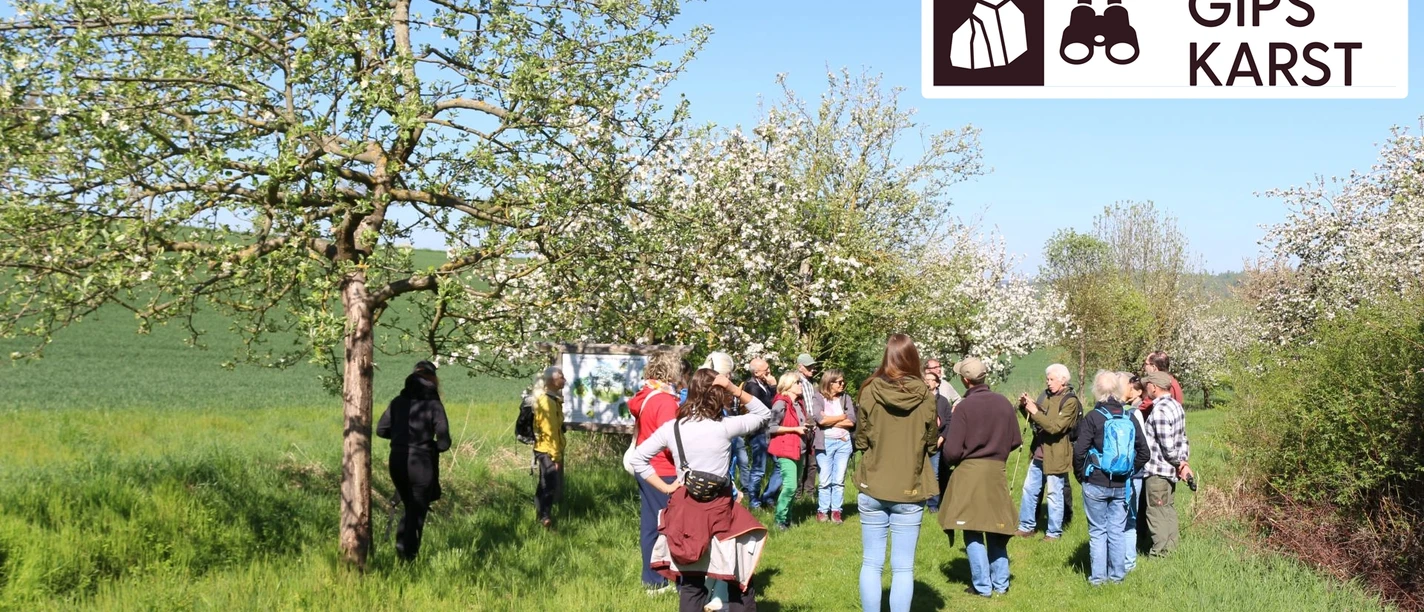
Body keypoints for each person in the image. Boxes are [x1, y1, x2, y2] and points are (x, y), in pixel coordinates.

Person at [630, 370, 771, 612]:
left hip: (686, 512)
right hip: (721, 511)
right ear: (718, 394)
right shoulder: (725, 426)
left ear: (693, 392)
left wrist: (666, 487)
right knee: (739, 578)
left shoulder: (673, 428)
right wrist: (733, 388)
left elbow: (638, 459)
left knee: (692, 584)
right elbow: (764, 413)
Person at [854, 334, 938, 612]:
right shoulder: (925, 395)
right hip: (909, 487)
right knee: (903, 567)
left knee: (871, 562)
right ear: (914, 359)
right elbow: (932, 443)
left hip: (873, 484)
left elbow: (861, 440)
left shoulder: (869, 390)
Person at [939, 357, 1022, 598]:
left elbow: (952, 451)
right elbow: (1016, 440)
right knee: (997, 526)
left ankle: (983, 586)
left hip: (970, 472)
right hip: (997, 471)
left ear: (966, 380)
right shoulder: (1004, 403)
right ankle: (1001, 584)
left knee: (972, 527)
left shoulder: (964, 407)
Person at [1073, 370, 1151, 586]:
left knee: (1098, 531)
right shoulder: (1129, 416)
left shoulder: (1093, 417)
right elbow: (1144, 453)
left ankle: (1098, 579)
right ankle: (1117, 577)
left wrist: (1081, 476)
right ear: (1118, 390)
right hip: (1122, 484)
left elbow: (1079, 451)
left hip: (1095, 482)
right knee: (1117, 530)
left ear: (1096, 390)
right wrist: (1129, 471)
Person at [375, 360, 451, 561]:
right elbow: (444, 443)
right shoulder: (434, 405)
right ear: (433, 380)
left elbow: (381, 430)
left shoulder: (397, 402)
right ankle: (407, 557)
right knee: (416, 512)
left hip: (397, 461)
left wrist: (401, 439)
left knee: (410, 508)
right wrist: (428, 445)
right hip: (421, 464)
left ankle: (403, 553)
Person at [629, 350, 684, 594]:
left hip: (647, 467)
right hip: (664, 469)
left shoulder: (646, 394)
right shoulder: (665, 401)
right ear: (672, 371)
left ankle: (653, 580)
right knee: (672, 526)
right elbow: (670, 439)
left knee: (651, 524)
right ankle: (667, 579)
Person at [1014, 363, 1081, 541]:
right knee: (1029, 490)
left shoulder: (1070, 401)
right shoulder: (1045, 396)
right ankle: (1026, 526)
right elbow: (1036, 421)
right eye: (1047, 379)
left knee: (1054, 494)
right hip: (1039, 452)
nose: (1048, 382)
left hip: (1056, 454)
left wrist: (1035, 412)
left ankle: (1053, 532)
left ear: (1063, 380)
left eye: (1052, 379)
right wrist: (1025, 406)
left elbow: (1055, 427)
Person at [1141, 370, 1192, 557]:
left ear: (1154, 387)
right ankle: (1171, 548)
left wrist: (1178, 462)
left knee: (1156, 512)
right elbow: (1183, 438)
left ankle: (1159, 553)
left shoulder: (1160, 410)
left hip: (1158, 471)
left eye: (1148, 385)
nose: (1146, 388)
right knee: (1167, 509)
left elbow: (1168, 446)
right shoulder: (1176, 406)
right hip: (1170, 471)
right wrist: (1182, 462)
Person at [811, 369, 857, 524]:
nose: (843, 384)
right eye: (839, 382)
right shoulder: (818, 397)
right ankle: (823, 511)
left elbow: (852, 421)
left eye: (844, 381)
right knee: (824, 480)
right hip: (825, 443)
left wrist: (830, 420)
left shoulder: (845, 398)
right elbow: (820, 420)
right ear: (829, 383)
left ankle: (836, 511)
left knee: (839, 480)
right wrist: (841, 417)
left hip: (844, 443)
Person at [767, 372, 809, 530]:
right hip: (786, 449)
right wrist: (795, 429)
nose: (800, 385)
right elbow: (772, 427)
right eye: (797, 382)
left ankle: (787, 519)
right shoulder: (780, 403)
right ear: (788, 385)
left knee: (794, 486)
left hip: (800, 448)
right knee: (790, 486)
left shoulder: (799, 403)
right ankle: (779, 519)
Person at [531, 365, 567, 529]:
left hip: (545, 447)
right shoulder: (547, 402)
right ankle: (545, 518)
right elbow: (549, 431)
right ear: (552, 381)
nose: (564, 380)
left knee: (545, 482)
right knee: (551, 481)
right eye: (561, 377)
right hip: (546, 449)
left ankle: (540, 515)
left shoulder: (552, 399)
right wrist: (556, 457)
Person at [1119, 372, 1148, 572]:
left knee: (1118, 519)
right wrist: (1134, 469)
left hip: (1112, 474)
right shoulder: (1132, 412)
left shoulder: (1101, 411)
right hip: (1131, 473)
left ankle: (1116, 561)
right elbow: (1144, 450)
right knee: (1129, 518)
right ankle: (1127, 562)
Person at [741, 358, 779, 509]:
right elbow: (769, 406)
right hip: (759, 433)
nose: (769, 372)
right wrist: (774, 387)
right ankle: (754, 502)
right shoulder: (752, 387)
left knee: (780, 465)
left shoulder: (764, 384)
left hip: (770, 431)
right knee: (759, 469)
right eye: (766, 370)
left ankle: (768, 496)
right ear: (756, 372)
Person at [922, 371, 951, 513]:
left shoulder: (943, 401)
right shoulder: (919, 399)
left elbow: (949, 422)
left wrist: (941, 438)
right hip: (920, 441)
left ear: (937, 383)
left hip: (936, 442)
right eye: (925, 379)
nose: (927, 381)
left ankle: (933, 504)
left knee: (934, 474)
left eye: (930, 379)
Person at [794, 353, 823, 497]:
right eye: (809, 367)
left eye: (812, 366)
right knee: (801, 460)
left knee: (813, 462)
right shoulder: (794, 382)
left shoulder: (814, 383)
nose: (812, 369)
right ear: (800, 367)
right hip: (802, 424)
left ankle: (809, 493)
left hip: (815, 424)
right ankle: (798, 494)